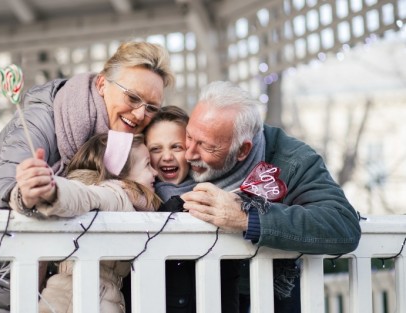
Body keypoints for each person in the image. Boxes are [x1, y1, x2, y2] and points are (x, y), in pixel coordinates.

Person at [0, 41, 174, 313]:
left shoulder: (122, 141)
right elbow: (2, 191)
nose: (140, 114)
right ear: (101, 84)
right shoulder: (44, 116)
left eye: (152, 107)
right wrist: (27, 192)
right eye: (132, 98)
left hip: (43, 273)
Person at [155, 81, 362, 313]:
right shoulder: (172, 158)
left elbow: (343, 224)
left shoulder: (292, 160)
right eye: (190, 137)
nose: (190, 153)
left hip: (268, 299)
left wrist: (247, 218)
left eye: (206, 146)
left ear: (243, 150)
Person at [9, 130, 160, 313]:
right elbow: (83, 195)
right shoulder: (115, 194)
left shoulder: (126, 200)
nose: (155, 172)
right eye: (147, 165)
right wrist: (50, 190)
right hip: (81, 301)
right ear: (121, 175)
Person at [144, 105, 190, 186]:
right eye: (156, 149)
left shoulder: (215, 191)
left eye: (176, 147)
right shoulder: (134, 196)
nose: (167, 157)